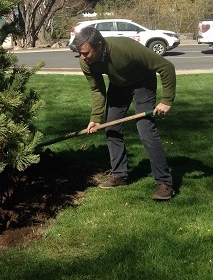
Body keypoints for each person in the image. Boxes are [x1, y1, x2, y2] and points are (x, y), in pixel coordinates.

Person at [71, 26, 176, 201]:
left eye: (86, 53)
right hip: (118, 86)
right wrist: (96, 118)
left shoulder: (125, 48)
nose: (82, 57)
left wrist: (166, 100)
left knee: (145, 130)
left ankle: (165, 183)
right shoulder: (85, 61)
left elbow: (166, 66)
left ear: (99, 45)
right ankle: (119, 176)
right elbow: (97, 89)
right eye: (80, 53)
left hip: (143, 83)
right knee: (111, 128)